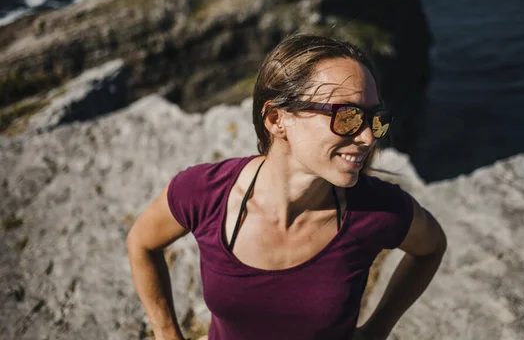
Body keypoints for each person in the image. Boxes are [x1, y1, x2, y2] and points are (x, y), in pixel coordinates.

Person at [127, 34, 447, 340]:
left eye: (374, 118)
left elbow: (431, 248)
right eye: (347, 116)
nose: (368, 137)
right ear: (277, 120)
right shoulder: (205, 194)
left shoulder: (378, 210)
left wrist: (377, 330)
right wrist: (166, 332)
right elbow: (142, 242)